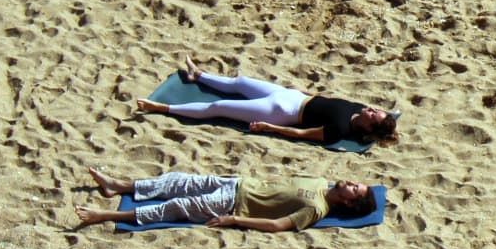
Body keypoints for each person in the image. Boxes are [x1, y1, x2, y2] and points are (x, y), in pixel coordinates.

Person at [134, 59, 397, 145]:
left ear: (368, 126)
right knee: (240, 82)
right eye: (376, 109)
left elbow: (302, 134)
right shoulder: (356, 109)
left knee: (218, 108)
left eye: (374, 114)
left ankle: (161, 107)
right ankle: (199, 76)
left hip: (280, 111)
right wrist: (302, 90)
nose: (371, 109)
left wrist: (270, 128)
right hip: (294, 96)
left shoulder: (340, 130)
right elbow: (327, 101)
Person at [73, 167, 374, 231]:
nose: (350, 183)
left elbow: (277, 225)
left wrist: (234, 220)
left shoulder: (316, 208)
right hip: (237, 182)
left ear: (349, 203)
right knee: (177, 181)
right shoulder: (320, 181)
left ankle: (107, 215)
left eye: (354, 189)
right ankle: (120, 186)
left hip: (233, 204)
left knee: (176, 207)